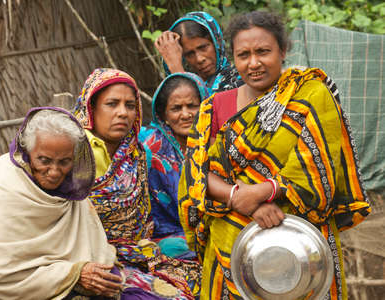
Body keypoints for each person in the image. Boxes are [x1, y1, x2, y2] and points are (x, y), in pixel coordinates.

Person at [178, 11, 371, 299]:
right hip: (231, 243)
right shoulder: (215, 107)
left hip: (303, 248)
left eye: (263, 52)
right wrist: (243, 201)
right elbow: (196, 173)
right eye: (243, 54)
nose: (253, 63)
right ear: (233, 57)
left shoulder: (311, 95)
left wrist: (264, 190)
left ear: (282, 51)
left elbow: (322, 170)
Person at [0, 107, 122, 299]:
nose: (54, 171)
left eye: (64, 161)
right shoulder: (2, 187)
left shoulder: (70, 190)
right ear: (28, 153)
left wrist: (91, 272)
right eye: (44, 160)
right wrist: (74, 274)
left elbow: (93, 247)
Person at [74, 68, 201, 299]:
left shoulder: (138, 156)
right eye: (112, 104)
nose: (122, 113)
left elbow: (140, 223)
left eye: (130, 105)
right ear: (91, 108)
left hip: (137, 251)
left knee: (204, 282)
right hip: (88, 259)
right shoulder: (74, 154)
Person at [138, 72, 208, 258]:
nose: (186, 114)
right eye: (176, 108)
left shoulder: (218, 142)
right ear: (164, 115)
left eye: (192, 106)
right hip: (167, 237)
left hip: (211, 229)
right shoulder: (150, 148)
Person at [155, 11, 243, 94]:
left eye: (203, 47)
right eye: (189, 54)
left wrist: (177, 72)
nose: (199, 59)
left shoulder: (241, 79)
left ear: (217, 43)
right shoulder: (174, 88)